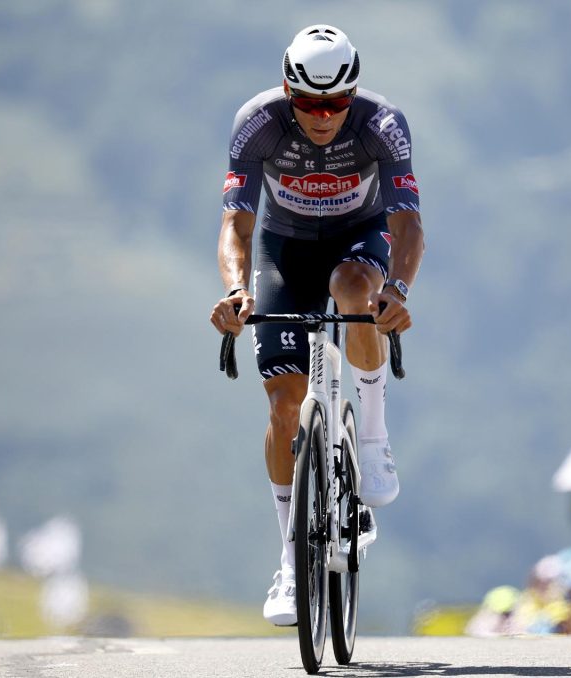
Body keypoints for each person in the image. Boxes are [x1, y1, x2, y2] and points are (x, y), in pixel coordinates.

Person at [209, 25, 425, 626]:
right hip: (285, 250)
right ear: (287, 90)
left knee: (355, 292)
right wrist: (233, 290)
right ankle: (288, 559)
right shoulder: (258, 122)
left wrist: (398, 292)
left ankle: (375, 442)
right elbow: (237, 227)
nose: (324, 116)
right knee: (284, 405)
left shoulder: (383, 124)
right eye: (309, 103)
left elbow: (409, 227)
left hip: (361, 239)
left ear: (353, 94)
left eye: (337, 103)